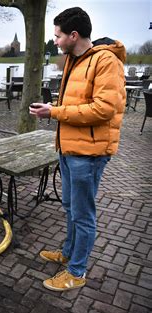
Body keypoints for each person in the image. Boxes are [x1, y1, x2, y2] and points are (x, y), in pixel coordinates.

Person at [29, 7, 126, 291]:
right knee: (71, 207)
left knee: (83, 215)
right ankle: (68, 253)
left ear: (73, 35)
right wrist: (54, 112)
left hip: (89, 154)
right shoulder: (75, 59)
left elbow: (103, 109)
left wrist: (55, 112)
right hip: (69, 149)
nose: (55, 41)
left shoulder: (105, 61)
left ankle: (76, 271)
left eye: (58, 36)